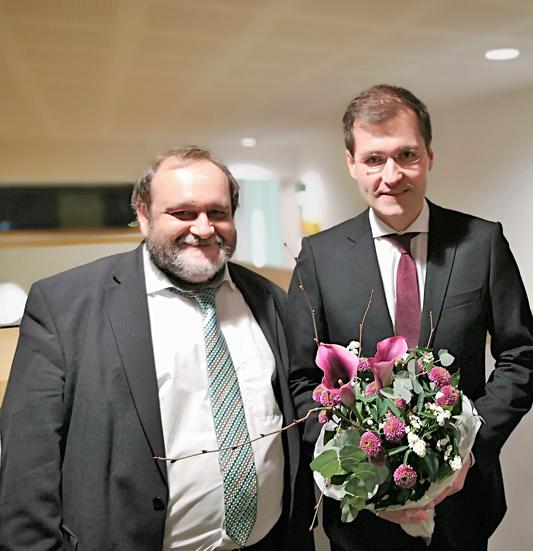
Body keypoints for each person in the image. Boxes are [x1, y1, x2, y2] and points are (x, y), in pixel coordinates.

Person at [0, 146, 315, 550]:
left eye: (217, 213)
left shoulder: (270, 300)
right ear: (144, 216)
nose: (203, 228)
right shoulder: (64, 306)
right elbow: (27, 471)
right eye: (183, 213)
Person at [286, 84, 533, 551]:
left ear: (429, 155)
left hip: (464, 506)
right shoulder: (319, 258)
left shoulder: (480, 244)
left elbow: (520, 357)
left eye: (406, 155)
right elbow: (301, 378)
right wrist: (355, 464)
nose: (392, 175)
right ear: (351, 163)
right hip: (361, 512)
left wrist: (466, 447)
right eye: (373, 159)